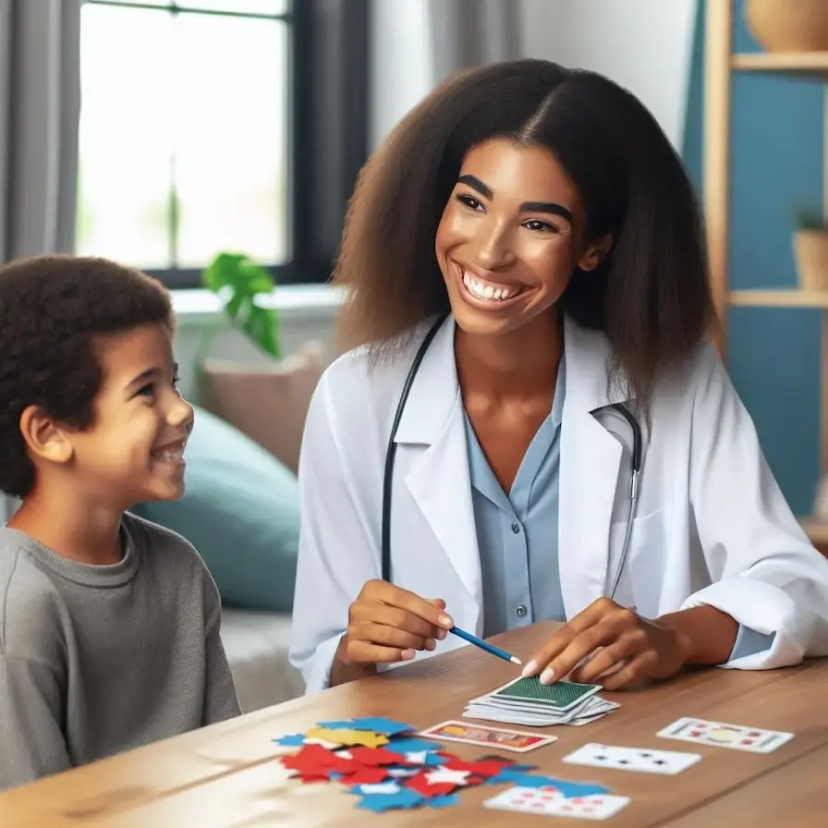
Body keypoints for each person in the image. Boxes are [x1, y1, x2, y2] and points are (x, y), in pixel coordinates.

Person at [289, 59, 828, 695]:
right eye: (472, 203)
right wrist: (357, 649)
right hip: (441, 765)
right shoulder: (354, 398)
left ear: (594, 247)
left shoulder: (673, 380)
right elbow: (320, 662)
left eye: (538, 223)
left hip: (627, 759)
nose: (490, 251)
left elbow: (800, 587)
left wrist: (674, 635)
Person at [0, 255, 240, 790]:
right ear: (48, 433)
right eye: (146, 390)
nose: (181, 411)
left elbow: (229, 762)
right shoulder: (19, 605)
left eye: (173, 383)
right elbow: (32, 816)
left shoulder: (180, 568)